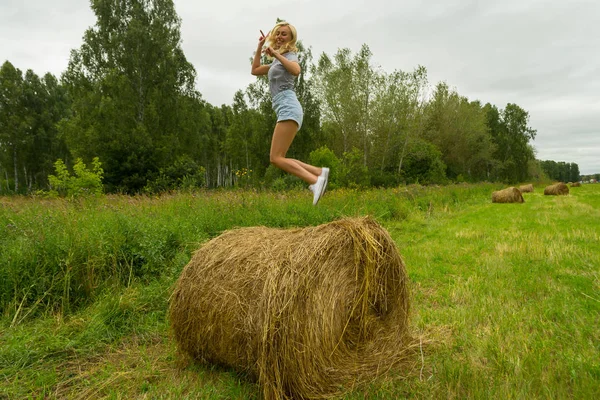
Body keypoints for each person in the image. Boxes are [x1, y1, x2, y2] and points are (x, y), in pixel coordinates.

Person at [251, 22, 328, 205]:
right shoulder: (277, 62)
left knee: (276, 158)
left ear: (291, 38)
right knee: (279, 157)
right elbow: (254, 70)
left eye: (283, 34)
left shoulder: (290, 54)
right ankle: (319, 172)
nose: (279, 36)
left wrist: (276, 53)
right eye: (277, 33)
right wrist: (260, 46)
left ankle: (316, 181)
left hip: (288, 106)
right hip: (284, 107)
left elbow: (296, 70)